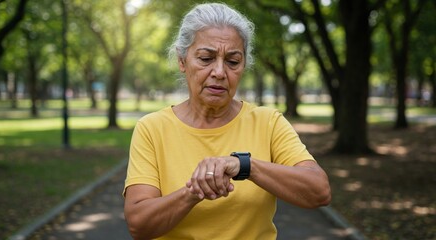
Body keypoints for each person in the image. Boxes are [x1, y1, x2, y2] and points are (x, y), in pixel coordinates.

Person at [123, 3, 331, 240]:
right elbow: (139, 224)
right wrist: (195, 191)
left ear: (243, 66)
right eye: (206, 58)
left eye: (232, 61)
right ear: (182, 60)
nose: (220, 72)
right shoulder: (152, 128)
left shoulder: (268, 123)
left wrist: (245, 166)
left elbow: (319, 191)